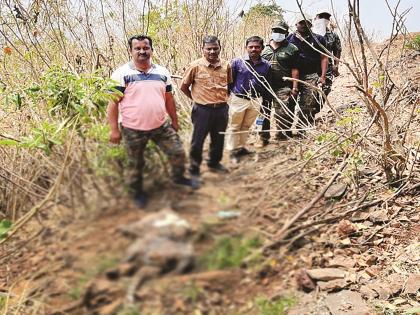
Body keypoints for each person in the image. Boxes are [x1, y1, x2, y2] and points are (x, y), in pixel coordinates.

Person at [107, 35, 194, 208]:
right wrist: (114, 130)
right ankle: (137, 193)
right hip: (132, 128)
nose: (142, 51)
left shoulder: (162, 73)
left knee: (177, 152)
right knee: (135, 163)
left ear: (151, 50)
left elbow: (169, 99)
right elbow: (112, 104)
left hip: (160, 125)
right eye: (137, 48)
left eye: (145, 48)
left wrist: (174, 120)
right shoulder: (121, 74)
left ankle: (179, 178)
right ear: (131, 51)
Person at [181, 35, 232, 181]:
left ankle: (214, 163)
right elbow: (183, 87)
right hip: (202, 110)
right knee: (198, 140)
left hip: (222, 109)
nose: (212, 52)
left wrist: (222, 100)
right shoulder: (195, 66)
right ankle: (194, 167)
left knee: (219, 138)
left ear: (220, 48)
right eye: (208, 49)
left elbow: (229, 85)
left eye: (215, 48)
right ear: (203, 49)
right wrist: (196, 99)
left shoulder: (226, 65)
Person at [227, 36, 271, 163]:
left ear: (262, 48)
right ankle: (232, 151)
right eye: (251, 47)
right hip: (239, 99)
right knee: (235, 126)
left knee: (246, 125)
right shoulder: (237, 62)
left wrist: (265, 102)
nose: (254, 49)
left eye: (257, 47)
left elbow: (266, 84)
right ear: (246, 48)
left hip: (256, 100)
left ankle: (241, 148)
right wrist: (228, 94)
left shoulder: (266, 65)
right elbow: (230, 80)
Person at [259, 21, 300, 145]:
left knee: (282, 113)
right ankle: (262, 136)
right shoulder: (263, 48)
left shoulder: (292, 49)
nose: (278, 33)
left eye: (281, 31)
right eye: (275, 31)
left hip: (283, 87)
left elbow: (295, 69)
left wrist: (295, 87)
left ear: (286, 33)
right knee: (262, 113)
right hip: (265, 86)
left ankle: (281, 136)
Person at [287, 14, 328, 130]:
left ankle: (302, 129)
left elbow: (324, 58)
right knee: (289, 102)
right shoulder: (289, 39)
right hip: (292, 76)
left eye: (307, 23)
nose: (304, 25)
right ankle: (286, 129)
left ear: (311, 24)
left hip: (311, 75)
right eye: (301, 23)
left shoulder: (318, 39)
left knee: (308, 104)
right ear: (296, 24)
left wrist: (323, 76)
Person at [313, 10, 342, 96]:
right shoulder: (309, 33)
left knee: (325, 90)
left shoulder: (333, 35)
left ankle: (318, 109)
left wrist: (336, 65)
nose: (324, 19)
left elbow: (337, 50)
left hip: (327, 68)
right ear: (316, 18)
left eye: (327, 18)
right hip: (310, 68)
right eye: (321, 17)